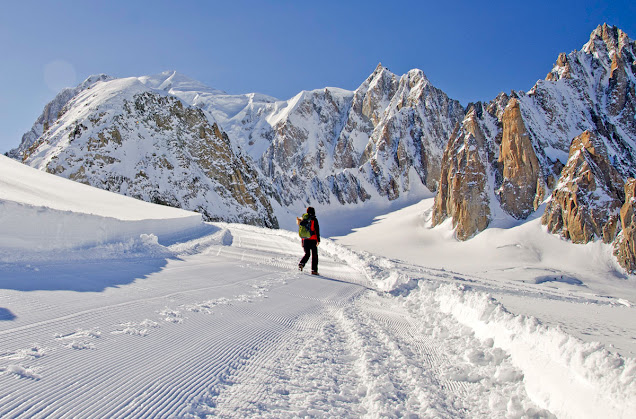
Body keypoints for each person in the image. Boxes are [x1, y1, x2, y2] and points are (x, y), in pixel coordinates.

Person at [297, 206, 320, 275]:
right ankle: (314, 270)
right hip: (313, 240)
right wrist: (318, 240)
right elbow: (317, 230)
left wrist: (302, 241)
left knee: (307, 254)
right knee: (314, 255)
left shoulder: (303, 219)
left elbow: (301, 231)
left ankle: (301, 263)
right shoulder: (314, 220)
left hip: (305, 240)